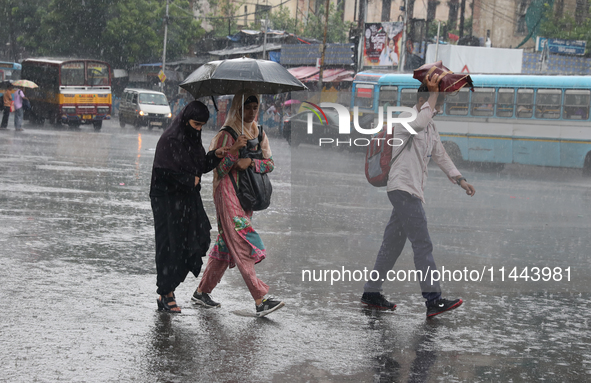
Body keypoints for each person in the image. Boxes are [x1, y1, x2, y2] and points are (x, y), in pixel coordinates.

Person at [361, 73, 476, 318]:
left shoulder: (430, 125)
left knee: (392, 245)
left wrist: (460, 179)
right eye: (437, 103)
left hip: (409, 190)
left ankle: (371, 292)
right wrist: (433, 96)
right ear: (425, 101)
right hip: (403, 189)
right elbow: (420, 122)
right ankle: (433, 299)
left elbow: (441, 154)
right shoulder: (407, 118)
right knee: (422, 244)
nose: (439, 108)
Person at [193, 90, 285, 317]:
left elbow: (270, 164)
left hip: (247, 195)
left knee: (226, 245)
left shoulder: (259, 132)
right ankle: (259, 298)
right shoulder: (227, 134)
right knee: (243, 239)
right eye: (247, 107)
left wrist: (250, 163)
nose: (252, 112)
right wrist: (233, 154)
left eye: (255, 107)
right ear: (238, 108)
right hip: (226, 192)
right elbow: (219, 170)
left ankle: (202, 292)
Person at [150, 101, 230, 313]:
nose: (198, 129)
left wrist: (216, 155)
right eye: (195, 124)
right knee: (169, 246)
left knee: (197, 236)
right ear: (185, 120)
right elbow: (163, 172)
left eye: (202, 125)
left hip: (186, 200)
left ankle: (169, 289)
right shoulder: (169, 140)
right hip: (166, 200)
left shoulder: (192, 139)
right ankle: (166, 294)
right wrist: (188, 180)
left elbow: (199, 165)